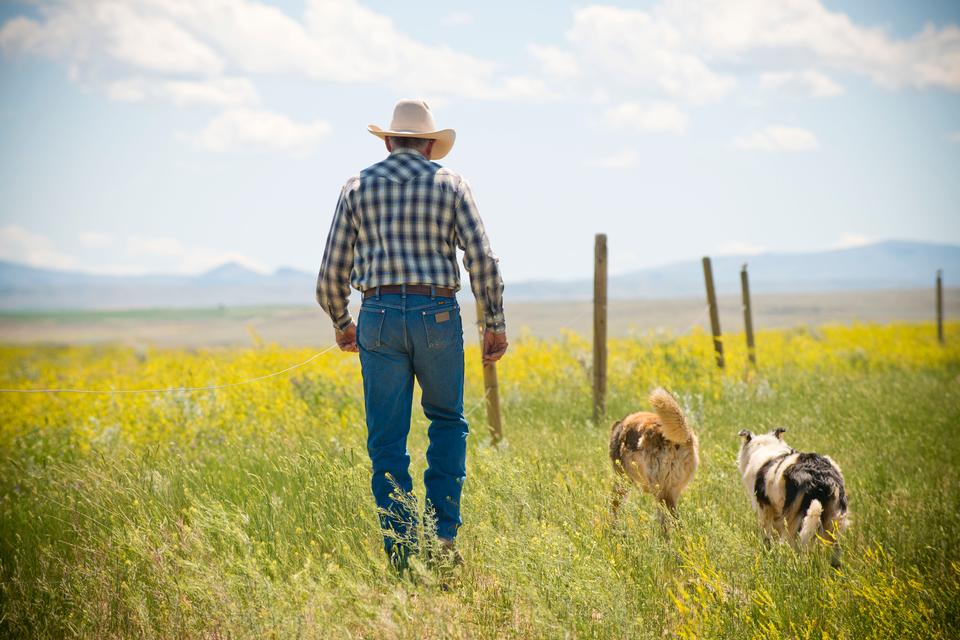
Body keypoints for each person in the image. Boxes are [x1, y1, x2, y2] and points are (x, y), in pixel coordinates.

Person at [316, 99, 508, 571]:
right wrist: (494, 324)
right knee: (447, 422)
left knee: (386, 440)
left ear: (387, 141)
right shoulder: (451, 184)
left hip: (378, 315)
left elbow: (329, 276)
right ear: (429, 144)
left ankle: (402, 553)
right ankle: (443, 534)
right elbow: (482, 259)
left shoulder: (357, 187)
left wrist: (344, 325)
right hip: (438, 314)